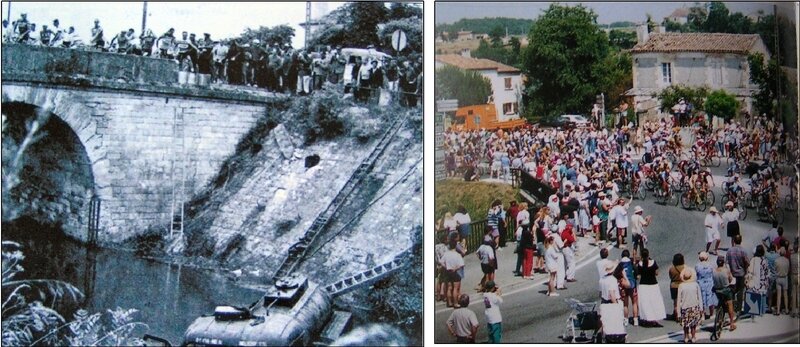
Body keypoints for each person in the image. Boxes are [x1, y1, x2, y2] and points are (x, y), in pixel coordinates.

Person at [637, 248, 666, 326]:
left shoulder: (640, 264)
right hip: (653, 285)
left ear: (641, 256)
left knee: (645, 303)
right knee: (655, 302)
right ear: (648, 254)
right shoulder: (653, 262)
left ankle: (647, 318)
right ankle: (654, 319)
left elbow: (638, 276)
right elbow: (657, 273)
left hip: (643, 285)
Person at [676, 268, 703, 343]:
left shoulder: (681, 286)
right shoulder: (695, 284)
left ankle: (686, 336)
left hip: (685, 307)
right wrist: (701, 308)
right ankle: (693, 336)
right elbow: (699, 297)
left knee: (685, 324)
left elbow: (679, 300)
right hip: (694, 306)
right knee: (693, 324)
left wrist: (678, 312)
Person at [726, 234, 750, 315]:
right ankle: (739, 308)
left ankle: (730, 306)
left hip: (732, 274)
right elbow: (747, 262)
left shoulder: (729, 250)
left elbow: (727, 263)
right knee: (740, 291)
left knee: (732, 290)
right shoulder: (743, 251)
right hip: (741, 274)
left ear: (734, 241)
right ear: (741, 241)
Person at [713, 257, 737, 331]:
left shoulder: (714, 271)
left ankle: (720, 318)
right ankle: (732, 323)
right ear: (723, 263)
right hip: (726, 290)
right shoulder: (726, 270)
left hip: (717, 290)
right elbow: (730, 279)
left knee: (720, 302)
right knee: (730, 304)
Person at [617, 249, 639, 326]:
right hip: (632, 284)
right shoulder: (631, 263)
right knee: (634, 302)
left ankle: (626, 319)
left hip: (624, 285)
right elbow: (636, 271)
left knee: (625, 304)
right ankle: (635, 319)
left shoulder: (620, 264)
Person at [442, 239, 465, 308]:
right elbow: (462, 264)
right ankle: (455, 303)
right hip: (455, 272)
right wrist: (455, 268)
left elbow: (441, 262)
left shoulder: (446, 254)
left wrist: (446, 266)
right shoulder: (457, 255)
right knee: (455, 288)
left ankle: (449, 302)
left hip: (448, 271)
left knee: (449, 287)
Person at [695, 252, 718, 319]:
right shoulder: (710, 265)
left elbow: (697, 274)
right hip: (710, 283)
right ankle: (711, 314)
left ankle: (702, 314)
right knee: (711, 297)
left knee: (701, 298)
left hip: (701, 283)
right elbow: (713, 273)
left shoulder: (697, 266)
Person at [668, 253, 686, 321]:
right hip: (683, 285)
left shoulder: (672, 269)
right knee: (683, 301)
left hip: (674, 286)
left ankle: (676, 316)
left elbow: (670, 277)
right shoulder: (684, 267)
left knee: (675, 302)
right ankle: (682, 315)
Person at [774, 248, 790, 316]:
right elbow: (788, 269)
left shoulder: (776, 260)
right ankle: (786, 309)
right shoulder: (787, 260)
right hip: (785, 278)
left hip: (778, 278)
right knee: (785, 295)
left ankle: (778, 311)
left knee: (779, 295)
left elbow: (775, 269)